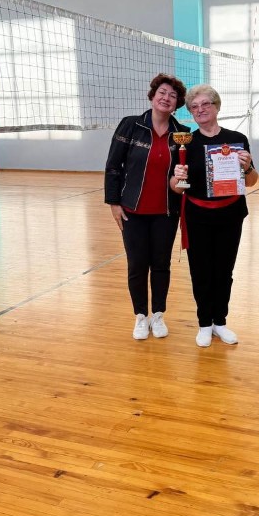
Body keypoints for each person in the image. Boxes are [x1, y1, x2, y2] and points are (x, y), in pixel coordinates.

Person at [171, 85, 258, 347]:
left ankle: (220, 321)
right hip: (197, 216)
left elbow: (252, 181)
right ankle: (204, 324)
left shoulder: (237, 138)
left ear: (217, 106)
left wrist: (247, 167)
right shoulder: (185, 142)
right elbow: (176, 187)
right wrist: (178, 178)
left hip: (230, 215)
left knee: (224, 271)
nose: (200, 110)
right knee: (200, 272)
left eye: (205, 104)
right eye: (194, 107)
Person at [105, 73, 189, 340]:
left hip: (166, 212)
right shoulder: (130, 125)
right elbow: (113, 166)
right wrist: (113, 202)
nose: (166, 98)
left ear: (177, 104)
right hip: (132, 211)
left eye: (172, 96)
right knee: (137, 265)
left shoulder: (183, 134)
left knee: (161, 264)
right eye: (162, 92)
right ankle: (141, 316)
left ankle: (158, 315)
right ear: (153, 96)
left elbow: (183, 175)